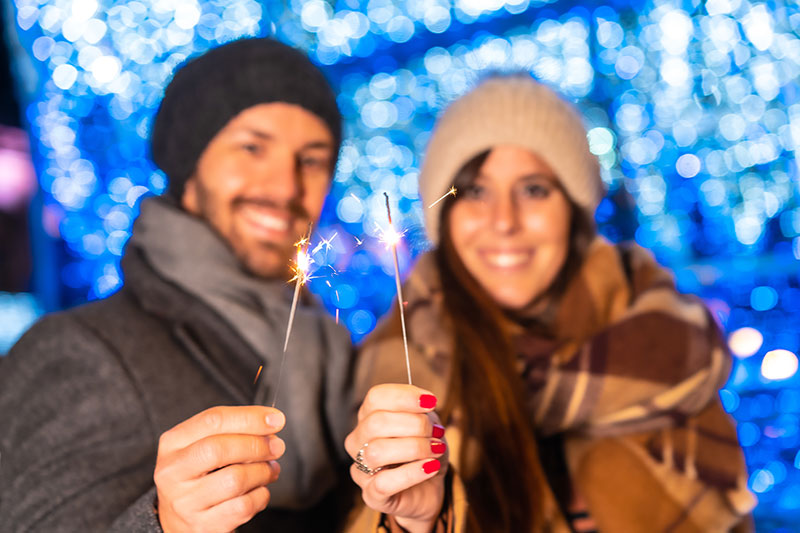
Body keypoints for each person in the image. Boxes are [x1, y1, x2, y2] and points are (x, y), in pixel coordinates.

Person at [345, 74, 756, 532]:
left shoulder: (664, 342)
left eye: (534, 189)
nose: (504, 221)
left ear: (573, 210)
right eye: (475, 191)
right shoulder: (396, 369)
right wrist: (420, 521)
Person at [0, 38, 358, 532]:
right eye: (252, 147)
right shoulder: (80, 351)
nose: (285, 187)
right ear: (189, 166)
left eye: (312, 159)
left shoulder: (335, 355)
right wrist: (164, 525)